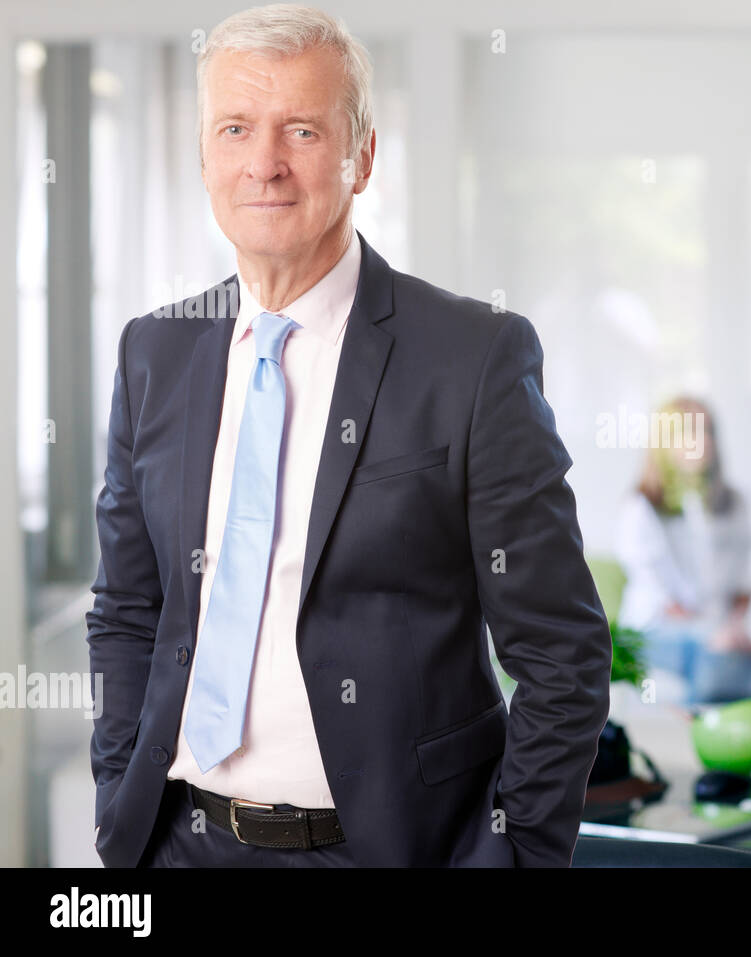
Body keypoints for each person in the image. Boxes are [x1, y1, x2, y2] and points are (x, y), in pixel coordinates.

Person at [86, 4, 610, 868]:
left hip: (387, 851)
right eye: (235, 128)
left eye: (301, 130)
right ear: (204, 156)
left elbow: (563, 652)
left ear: (361, 157)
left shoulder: (471, 358)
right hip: (179, 843)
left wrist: (508, 859)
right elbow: (128, 611)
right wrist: (121, 813)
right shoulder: (157, 351)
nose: (265, 164)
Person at [613, 396, 751, 704]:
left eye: (707, 430)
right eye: (689, 431)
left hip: (717, 628)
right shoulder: (641, 509)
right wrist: (714, 632)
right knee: (714, 657)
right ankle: (697, 731)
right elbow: (665, 600)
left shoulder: (733, 505)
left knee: (749, 658)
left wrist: (732, 628)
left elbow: (745, 584)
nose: (702, 441)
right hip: (654, 629)